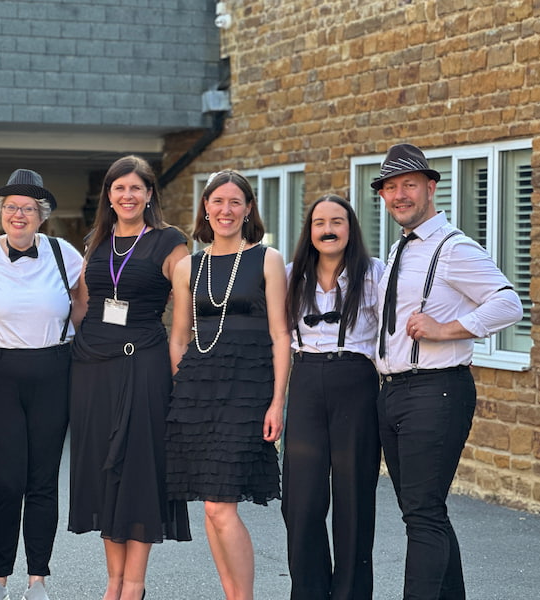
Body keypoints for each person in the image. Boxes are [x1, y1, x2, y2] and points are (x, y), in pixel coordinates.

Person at [372, 143, 523, 600]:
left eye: (409, 185)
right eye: (391, 187)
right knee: (424, 513)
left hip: (435, 391)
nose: (400, 195)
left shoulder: (454, 248)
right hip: (394, 392)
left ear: (431, 187)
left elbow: (508, 303)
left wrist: (447, 329)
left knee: (422, 514)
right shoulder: (400, 249)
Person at [0, 169, 85, 600]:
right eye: (11, 207)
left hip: (54, 370)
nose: (19, 215)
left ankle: (38, 579)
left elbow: (82, 303)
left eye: (28, 208)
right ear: (0, 212)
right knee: (6, 481)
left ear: (42, 216)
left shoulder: (64, 253)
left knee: (43, 480)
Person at [68, 155, 192, 600]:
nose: (127, 195)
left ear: (149, 194)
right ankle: (114, 582)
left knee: (139, 468)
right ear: (109, 195)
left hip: (144, 364)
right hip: (92, 368)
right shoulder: (96, 241)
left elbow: (183, 324)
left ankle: (134, 584)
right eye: (119, 188)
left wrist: (182, 382)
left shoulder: (170, 242)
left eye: (136, 188)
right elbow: (82, 306)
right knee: (105, 470)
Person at [166, 170, 290, 600]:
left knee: (221, 505)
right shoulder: (188, 266)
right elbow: (178, 337)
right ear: (206, 207)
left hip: (248, 391)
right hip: (198, 392)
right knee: (209, 503)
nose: (226, 210)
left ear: (248, 209)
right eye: (218, 201)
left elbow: (281, 335)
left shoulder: (267, 260)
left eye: (235, 202)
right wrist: (182, 390)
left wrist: (277, 401)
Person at [282, 194, 385, 599]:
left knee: (354, 496)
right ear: (310, 231)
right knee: (301, 500)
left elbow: (392, 332)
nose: (328, 230)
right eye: (320, 222)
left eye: (337, 222)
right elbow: (275, 337)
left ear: (350, 228)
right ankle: (309, 591)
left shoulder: (374, 274)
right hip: (305, 380)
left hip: (355, 381)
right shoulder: (291, 276)